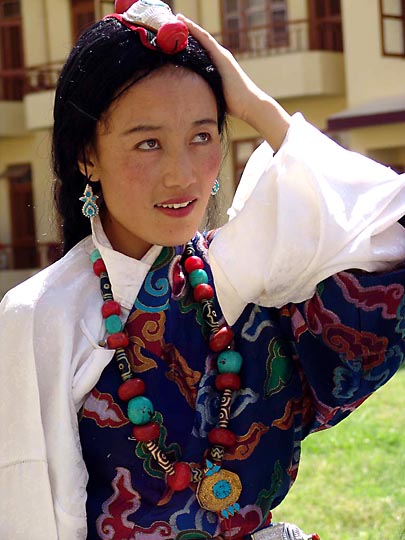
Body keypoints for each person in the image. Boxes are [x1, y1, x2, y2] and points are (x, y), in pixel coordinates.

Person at [0, 2, 404, 539]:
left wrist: (259, 107)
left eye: (202, 136)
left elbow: (388, 224)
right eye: (148, 142)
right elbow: (30, 516)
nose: (181, 174)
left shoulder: (249, 270)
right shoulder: (42, 315)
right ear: (85, 156)